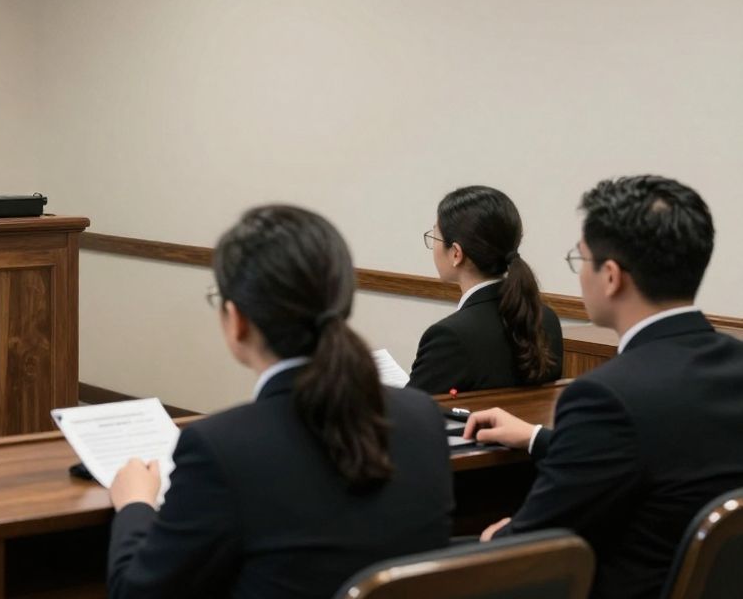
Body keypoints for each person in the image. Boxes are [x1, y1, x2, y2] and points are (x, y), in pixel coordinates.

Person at [107, 205, 453, 599]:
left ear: (236, 319)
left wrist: (135, 503)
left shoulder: (220, 449)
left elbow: (136, 593)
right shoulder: (422, 417)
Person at [464, 175, 743, 599]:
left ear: (611, 276)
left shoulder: (606, 396)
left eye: (582, 259)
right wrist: (538, 438)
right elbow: (665, 455)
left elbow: (527, 545)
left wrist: (500, 537)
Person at [407, 186, 563, 393]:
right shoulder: (546, 319)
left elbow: (411, 412)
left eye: (435, 237)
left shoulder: (449, 337)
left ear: (456, 253)